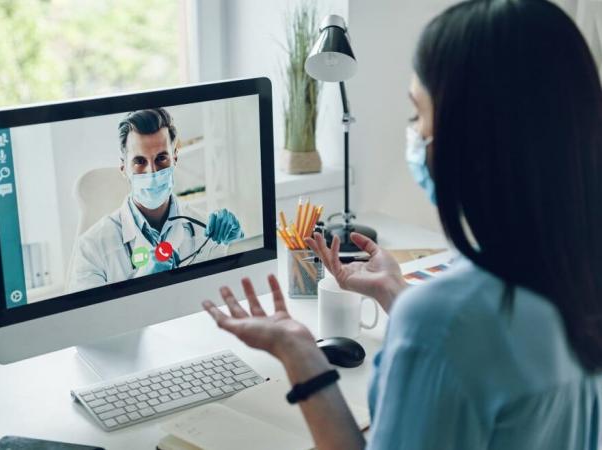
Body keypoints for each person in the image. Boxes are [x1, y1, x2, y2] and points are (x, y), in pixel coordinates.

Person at [201, 1, 602, 449]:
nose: (414, 134)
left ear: (468, 139)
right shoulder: (577, 280)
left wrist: (299, 352)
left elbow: (460, 335)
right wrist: (396, 294)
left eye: (418, 114)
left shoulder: (443, 322)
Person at [68, 108, 244, 291]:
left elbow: (229, 294)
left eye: (161, 158)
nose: (152, 172)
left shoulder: (205, 230)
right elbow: (88, 317)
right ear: (123, 167)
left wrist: (237, 244)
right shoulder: (91, 247)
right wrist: (139, 283)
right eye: (139, 161)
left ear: (174, 158)